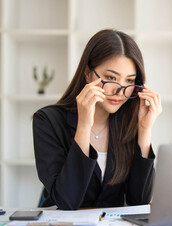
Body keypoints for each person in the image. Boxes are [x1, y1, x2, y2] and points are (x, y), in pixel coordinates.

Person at [32, 29, 162, 210]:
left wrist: (144, 130)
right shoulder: (47, 121)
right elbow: (66, 201)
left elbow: (139, 200)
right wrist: (84, 125)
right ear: (87, 73)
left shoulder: (127, 122)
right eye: (110, 77)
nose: (120, 91)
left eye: (130, 81)